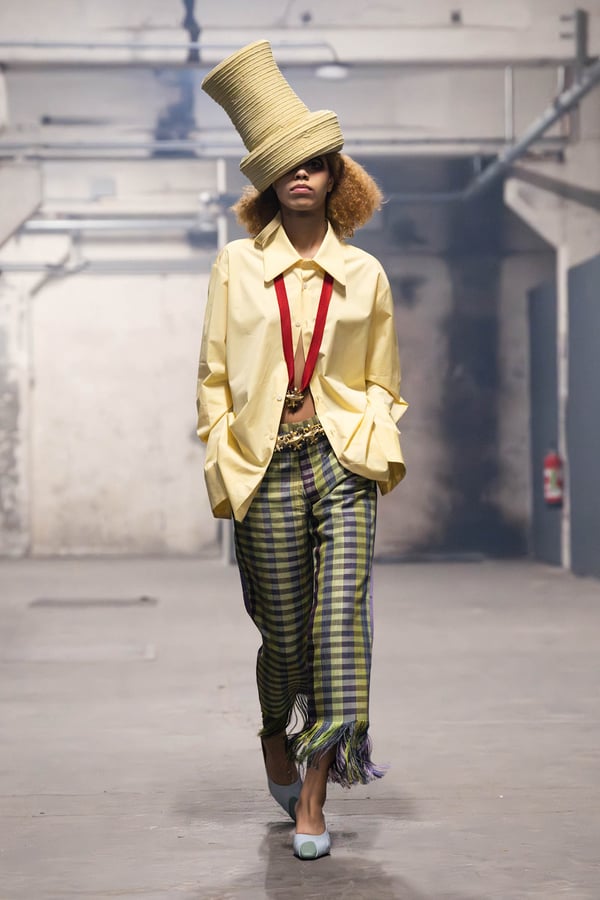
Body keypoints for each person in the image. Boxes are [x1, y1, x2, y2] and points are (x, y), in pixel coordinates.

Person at [197, 40, 407, 860]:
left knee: (339, 625)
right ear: (268, 183)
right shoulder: (235, 268)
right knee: (284, 640)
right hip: (264, 463)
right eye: (286, 166)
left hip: (341, 460)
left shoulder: (367, 275)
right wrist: (224, 457)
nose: (301, 176)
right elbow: (214, 375)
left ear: (334, 177)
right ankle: (272, 732)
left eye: (315, 163)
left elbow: (384, 380)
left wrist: (374, 442)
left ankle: (314, 796)